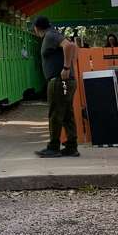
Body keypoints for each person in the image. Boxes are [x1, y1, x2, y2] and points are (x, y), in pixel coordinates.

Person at [33, 15, 79, 158]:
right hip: (65, 81)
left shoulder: (50, 35)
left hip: (59, 81)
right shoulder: (54, 34)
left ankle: (53, 147)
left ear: (36, 27)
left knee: (55, 114)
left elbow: (69, 46)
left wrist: (66, 68)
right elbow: (73, 47)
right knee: (66, 114)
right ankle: (71, 146)